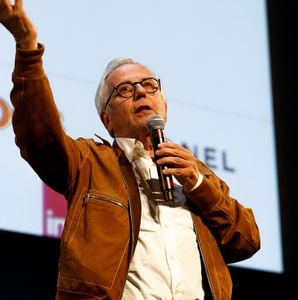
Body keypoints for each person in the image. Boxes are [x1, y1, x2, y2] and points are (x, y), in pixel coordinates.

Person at [0, 1, 260, 299]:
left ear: (165, 105)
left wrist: (200, 185)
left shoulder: (194, 174)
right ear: (106, 119)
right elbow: (39, 135)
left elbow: (246, 240)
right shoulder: (91, 163)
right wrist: (27, 47)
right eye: (124, 89)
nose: (140, 92)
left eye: (149, 85)